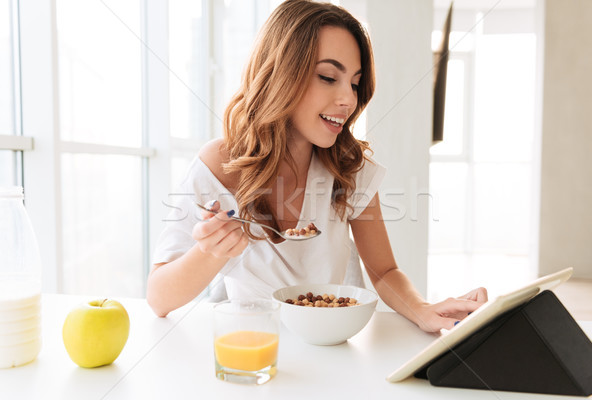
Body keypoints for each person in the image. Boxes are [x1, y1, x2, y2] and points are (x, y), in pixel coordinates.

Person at [147, 0, 487, 332]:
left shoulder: (349, 168)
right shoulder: (222, 164)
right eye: (328, 77)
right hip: (253, 356)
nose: (349, 99)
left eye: (354, 83)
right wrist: (209, 253)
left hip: (332, 355)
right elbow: (158, 299)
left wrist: (424, 311)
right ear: (280, 74)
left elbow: (384, 271)